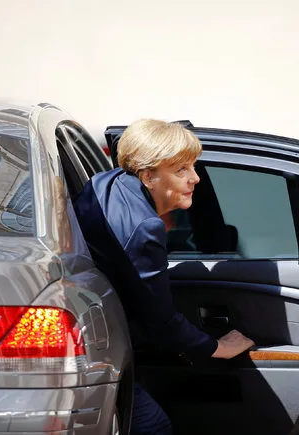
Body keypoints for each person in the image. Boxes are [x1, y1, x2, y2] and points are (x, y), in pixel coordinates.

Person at [74, 119, 255, 435]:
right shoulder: (146, 228)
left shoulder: (107, 182)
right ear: (148, 176)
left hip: (92, 330)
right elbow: (159, 319)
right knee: (154, 427)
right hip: (92, 348)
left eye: (193, 167)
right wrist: (215, 347)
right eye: (182, 170)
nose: (196, 178)